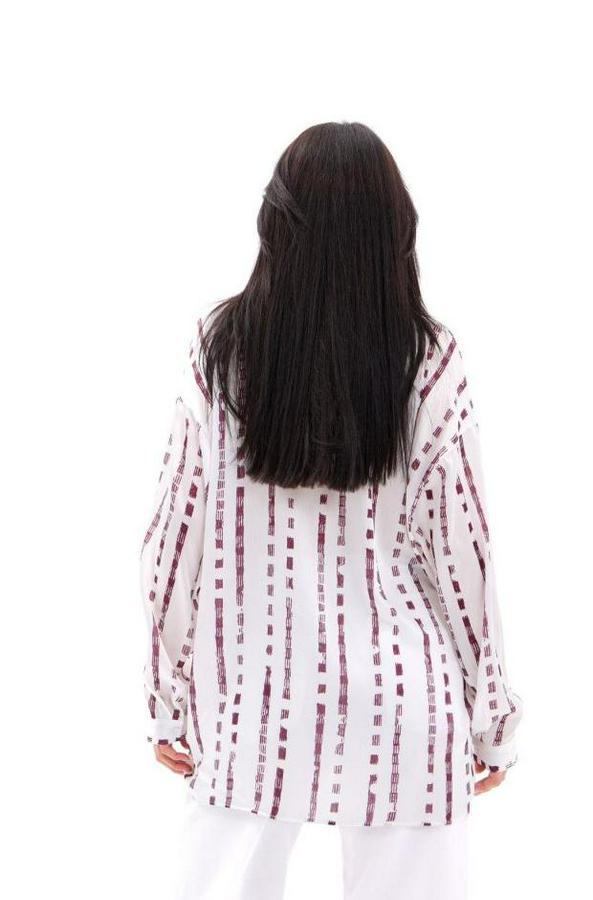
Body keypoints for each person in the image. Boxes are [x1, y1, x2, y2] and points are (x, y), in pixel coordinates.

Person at [139, 121, 523, 900]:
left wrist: (166, 697)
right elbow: (463, 554)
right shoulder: (428, 358)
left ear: (274, 219)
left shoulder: (219, 348)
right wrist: (491, 716)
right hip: (403, 705)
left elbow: (171, 541)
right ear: (395, 226)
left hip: (249, 703)